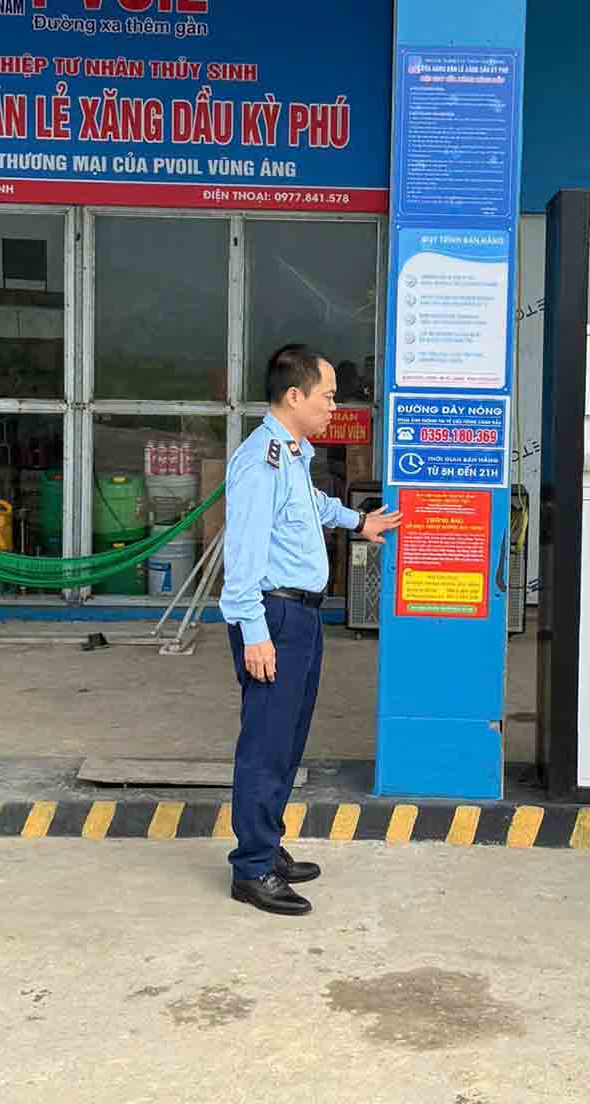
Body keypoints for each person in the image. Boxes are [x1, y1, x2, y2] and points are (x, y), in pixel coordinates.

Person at [219, 344, 402, 916]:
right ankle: (251, 869)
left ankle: (267, 847)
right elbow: (242, 556)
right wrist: (253, 631)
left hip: (298, 615)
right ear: (293, 396)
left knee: (288, 737)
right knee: (266, 744)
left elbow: (313, 506)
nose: (333, 405)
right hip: (271, 616)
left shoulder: (292, 455)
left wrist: (358, 521)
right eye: (326, 395)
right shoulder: (260, 461)